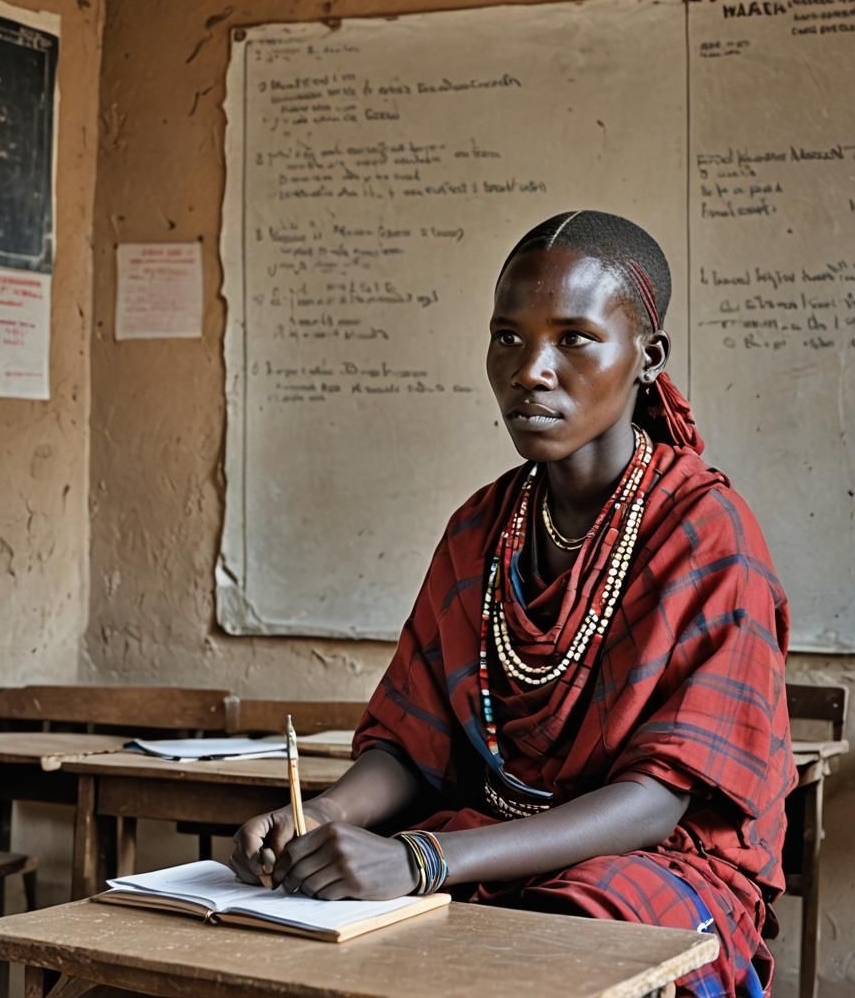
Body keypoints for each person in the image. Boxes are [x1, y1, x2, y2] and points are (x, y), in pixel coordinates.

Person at [231, 210, 796, 998]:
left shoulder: (705, 533)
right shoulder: (481, 528)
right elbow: (412, 742)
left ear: (647, 357)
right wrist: (325, 816)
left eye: (573, 339)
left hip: (656, 862)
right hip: (489, 840)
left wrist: (423, 862)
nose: (531, 369)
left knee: (541, 952)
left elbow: (655, 803)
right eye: (508, 338)